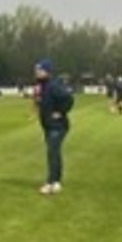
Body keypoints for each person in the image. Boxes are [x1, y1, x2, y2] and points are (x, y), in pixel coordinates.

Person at [34, 59, 73, 195]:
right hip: (48, 125)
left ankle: (50, 182)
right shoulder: (41, 86)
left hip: (57, 125)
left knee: (52, 152)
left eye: (39, 70)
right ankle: (57, 181)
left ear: (47, 71)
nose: (36, 72)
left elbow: (68, 98)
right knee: (55, 153)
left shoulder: (53, 85)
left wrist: (60, 112)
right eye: (36, 70)